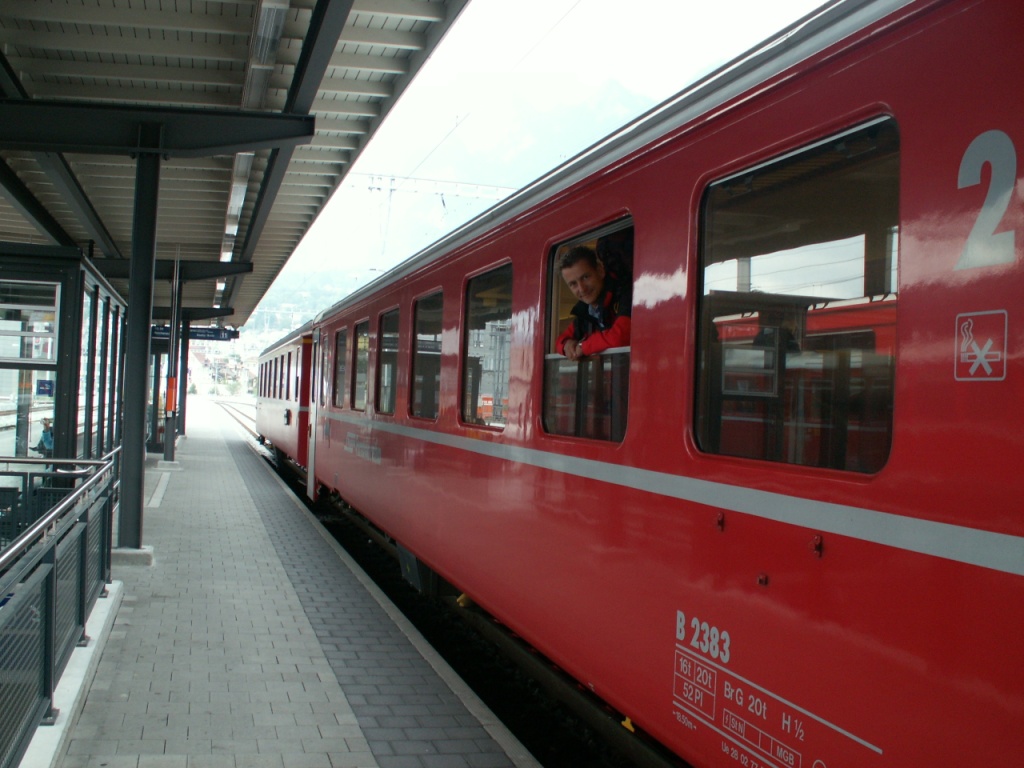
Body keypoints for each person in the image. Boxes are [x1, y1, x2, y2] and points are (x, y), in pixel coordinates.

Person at [556, 245, 632, 361]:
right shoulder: (586, 310)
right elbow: (560, 341)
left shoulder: (627, 293)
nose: (582, 289)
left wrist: (583, 347)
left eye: (585, 277)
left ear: (600, 271)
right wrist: (567, 345)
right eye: (573, 284)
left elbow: (620, 337)